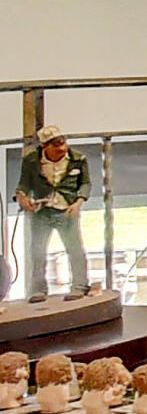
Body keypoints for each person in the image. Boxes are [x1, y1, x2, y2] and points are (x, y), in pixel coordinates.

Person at [14, 126, 91, 301]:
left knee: (75, 249)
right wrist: (22, 197)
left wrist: (78, 202)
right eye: (55, 146)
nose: (61, 149)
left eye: (63, 144)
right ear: (45, 147)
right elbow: (24, 184)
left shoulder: (78, 159)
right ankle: (37, 289)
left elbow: (85, 184)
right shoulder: (31, 161)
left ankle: (79, 285)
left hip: (67, 210)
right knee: (37, 251)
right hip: (42, 211)